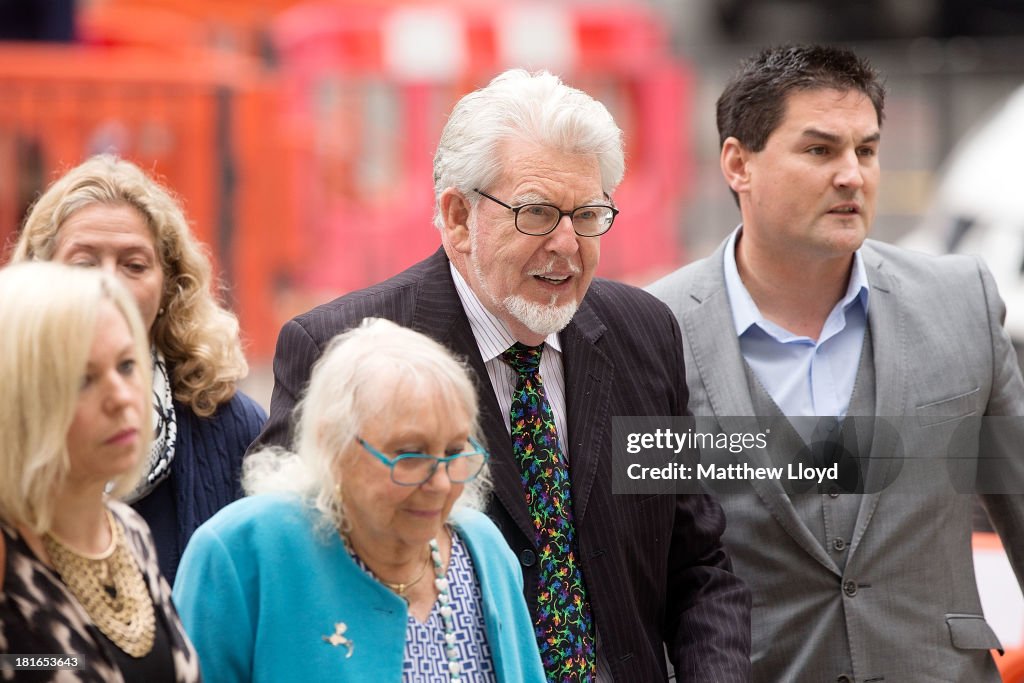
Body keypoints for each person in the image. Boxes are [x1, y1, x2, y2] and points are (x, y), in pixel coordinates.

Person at [252, 69, 751, 681]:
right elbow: (286, 582)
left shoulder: (642, 332)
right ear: (459, 217)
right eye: (537, 214)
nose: (568, 245)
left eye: (589, 214)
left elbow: (697, 564)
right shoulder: (340, 350)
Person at [647, 43, 1024, 682]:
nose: (852, 174)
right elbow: (636, 564)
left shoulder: (961, 301)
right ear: (738, 164)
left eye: (867, 150)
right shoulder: (655, 329)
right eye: (820, 150)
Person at [172, 318, 545, 681]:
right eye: (411, 455)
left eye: (454, 451)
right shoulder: (243, 552)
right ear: (334, 446)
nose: (442, 483)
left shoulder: (483, 549)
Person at [12, 154, 266, 585]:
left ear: (170, 284)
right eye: (84, 262)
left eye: (134, 264)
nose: (109, 283)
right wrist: (66, 659)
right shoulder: (10, 422)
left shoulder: (232, 427)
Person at [0, 262, 200, 682]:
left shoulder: (130, 532)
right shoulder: (8, 554)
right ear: (18, 401)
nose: (120, 397)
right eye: (81, 380)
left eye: (127, 366)